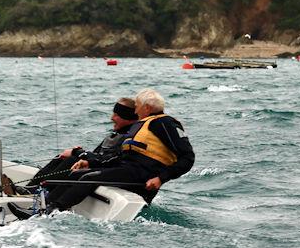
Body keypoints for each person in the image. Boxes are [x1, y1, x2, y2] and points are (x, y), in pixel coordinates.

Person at [44, 88, 195, 212]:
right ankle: (46, 205)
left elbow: (188, 158)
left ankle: (55, 211)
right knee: (77, 173)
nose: (135, 111)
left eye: (137, 106)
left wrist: (161, 178)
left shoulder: (164, 123)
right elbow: (121, 157)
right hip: (128, 170)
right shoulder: (142, 125)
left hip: (143, 176)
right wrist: (89, 162)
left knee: (88, 178)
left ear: (147, 108)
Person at [26, 97, 139, 187]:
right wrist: (80, 153)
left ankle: (41, 191)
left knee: (71, 160)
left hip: (107, 173)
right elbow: (97, 155)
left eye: (116, 115)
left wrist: (77, 152)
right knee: (62, 157)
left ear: (127, 118)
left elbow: (105, 160)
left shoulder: (128, 138)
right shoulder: (116, 134)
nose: (111, 118)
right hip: (100, 166)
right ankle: (30, 188)